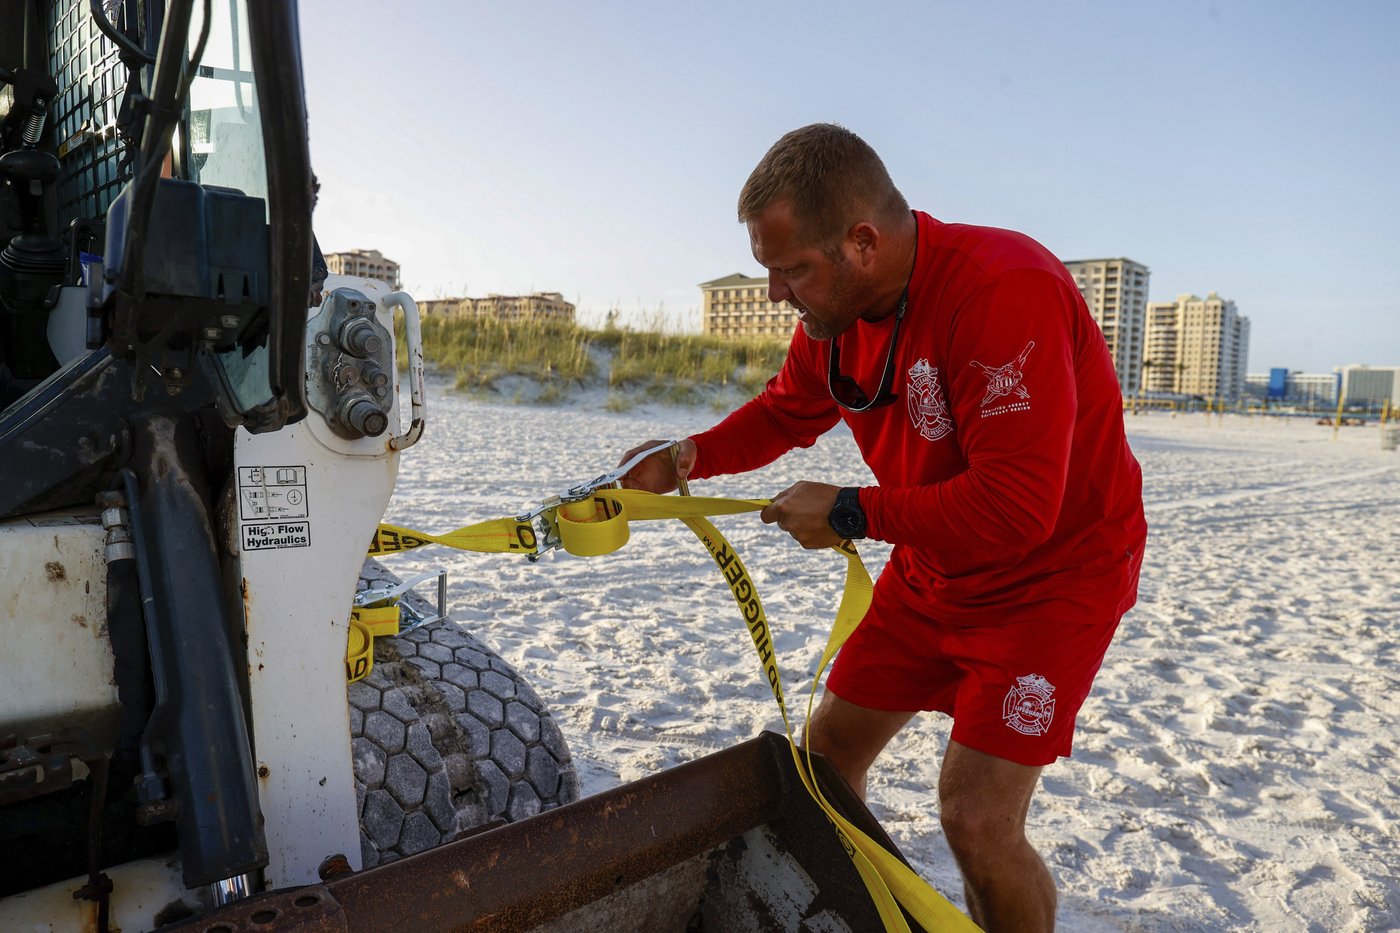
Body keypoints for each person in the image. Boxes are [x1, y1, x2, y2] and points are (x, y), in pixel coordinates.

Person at [619, 123, 1146, 932]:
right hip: (935, 562)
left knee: (975, 817)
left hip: (1051, 580)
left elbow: (1017, 505)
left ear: (863, 242)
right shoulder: (840, 315)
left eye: (790, 269)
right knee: (825, 762)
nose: (775, 295)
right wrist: (687, 456)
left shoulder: (1002, 288)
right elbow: (787, 411)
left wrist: (848, 510)